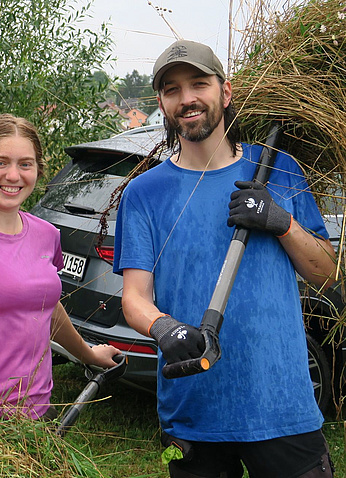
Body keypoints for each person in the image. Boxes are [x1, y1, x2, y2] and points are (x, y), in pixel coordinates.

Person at [114, 40, 336, 477]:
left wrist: (281, 222)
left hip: (282, 404)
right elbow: (134, 297)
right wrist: (164, 327)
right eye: (172, 90)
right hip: (194, 408)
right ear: (161, 103)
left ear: (226, 91)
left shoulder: (279, 170)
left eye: (199, 83)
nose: (187, 98)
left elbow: (327, 275)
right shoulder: (143, 193)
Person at [0, 114, 119, 421]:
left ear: (38, 170)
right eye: (0, 162)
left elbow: (46, 306)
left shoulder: (46, 234)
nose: (13, 175)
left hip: (35, 409)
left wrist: (88, 353)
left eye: (25, 164)